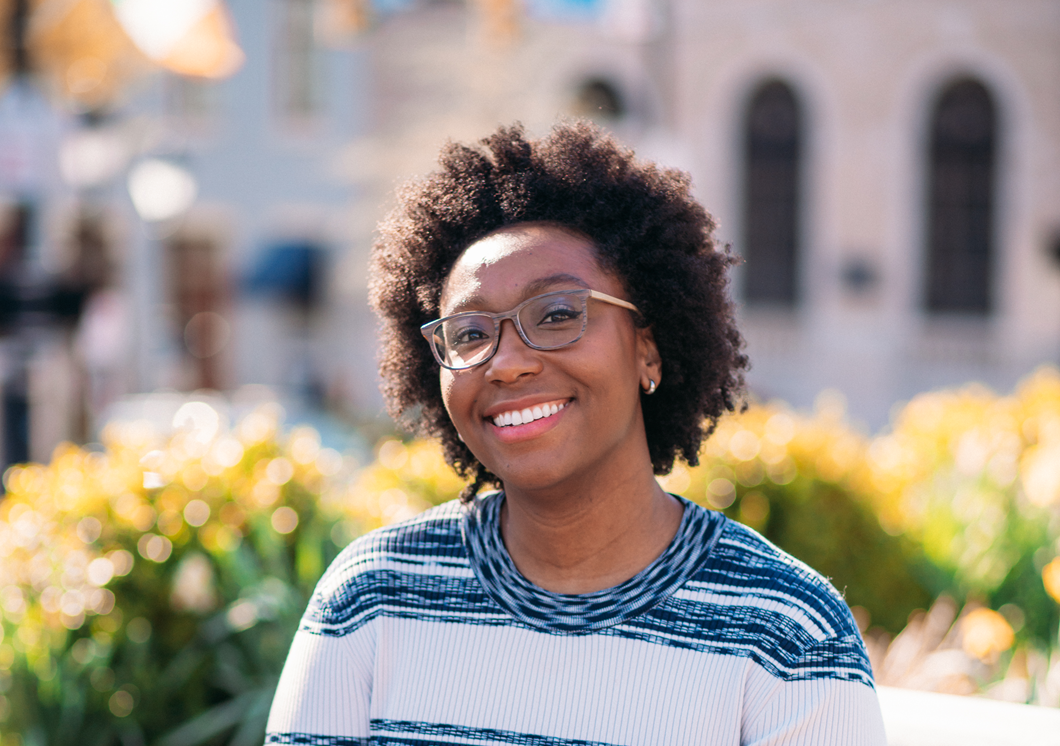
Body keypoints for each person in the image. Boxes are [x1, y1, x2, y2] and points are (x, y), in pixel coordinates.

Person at [265, 121, 887, 745]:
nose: (506, 363)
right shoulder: (373, 596)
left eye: (558, 315)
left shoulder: (787, 634)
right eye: (471, 333)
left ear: (648, 349)